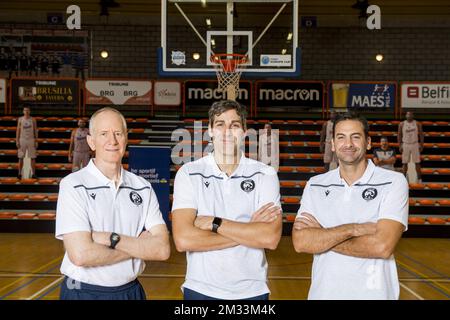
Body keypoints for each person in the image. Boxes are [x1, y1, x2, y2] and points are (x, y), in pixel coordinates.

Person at [55, 107, 170, 300]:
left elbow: (162, 249)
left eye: (118, 133)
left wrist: (111, 238)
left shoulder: (143, 187)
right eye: (104, 134)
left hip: (130, 291)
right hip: (82, 292)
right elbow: (81, 255)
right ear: (91, 141)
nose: (112, 141)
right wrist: (139, 246)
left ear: (126, 138)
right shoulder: (73, 185)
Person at [172, 100, 282, 300]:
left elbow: (269, 238)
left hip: (252, 290)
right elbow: (183, 240)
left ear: (245, 131)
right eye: (220, 124)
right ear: (210, 131)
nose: (227, 131)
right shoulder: (189, 173)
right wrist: (249, 230)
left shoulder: (265, 174)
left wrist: (214, 223)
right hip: (200, 289)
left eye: (235, 125)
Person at [292, 112, 408, 300]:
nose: (348, 144)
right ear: (333, 144)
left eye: (355, 137)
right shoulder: (315, 184)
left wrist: (322, 237)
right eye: (341, 137)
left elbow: (382, 246)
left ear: (368, 142)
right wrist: (354, 229)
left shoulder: (393, 182)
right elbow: (301, 242)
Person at [398, 111, 424, 182]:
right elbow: (399, 134)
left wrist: (421, 144)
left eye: (410, 114)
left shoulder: (417, 123)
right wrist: (400, 144)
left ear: (413, 115)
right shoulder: (402, 124)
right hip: (405, 144)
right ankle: (403, 179)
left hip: (415, 144)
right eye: (408, 114)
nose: (409, 115)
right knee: (404, 163)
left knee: (417, 162)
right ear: (406, 115)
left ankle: (419, 179)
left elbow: (421, 134)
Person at [16, 106, 38, 179]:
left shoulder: (33, 120)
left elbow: (35, 130)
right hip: (22, 139)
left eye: (28, 110)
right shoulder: (20, 119)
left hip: (31, 139)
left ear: (30, 111)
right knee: (21, 157)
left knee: (33, 157)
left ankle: (33, 174)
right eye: (25, 110)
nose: (26, 111)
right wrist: (17, 140)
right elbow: (18, 131)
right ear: (23, 111)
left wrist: (36, 140)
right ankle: (19, 174)